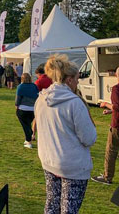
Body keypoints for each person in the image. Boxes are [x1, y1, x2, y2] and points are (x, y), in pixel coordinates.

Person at [35, 54, 96, 214]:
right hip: (72, 165)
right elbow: (89, 138)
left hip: (49, 160)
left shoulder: (41, 99)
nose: (78, 82)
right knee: (68, 209)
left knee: (52, 206)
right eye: (76, 79)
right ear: (69, 80)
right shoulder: (74, 103)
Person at [91, 66, 119, 185]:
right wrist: (110, 111)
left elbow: (117, 106)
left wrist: (106, 104)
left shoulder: (116, 89)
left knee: (111, 151)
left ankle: (107, 176)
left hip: (117, 125)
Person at [15, 73, 38, 149]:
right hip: (32, 109)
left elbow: (18, 99)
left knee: (25, 126)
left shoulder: (20, 87)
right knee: (27, 124)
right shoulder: (34, 86)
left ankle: (29, 140)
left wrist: (16, 106)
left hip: (23, 109)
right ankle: (28, 137)